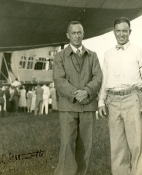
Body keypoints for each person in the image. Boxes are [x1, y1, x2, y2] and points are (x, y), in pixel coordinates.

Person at [98, 17, 142, 175]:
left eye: (125, 31)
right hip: (113, 101)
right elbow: (105, 79)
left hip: (132, 98)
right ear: (114, 32)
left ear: (130, 32)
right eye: (118, 31)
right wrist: (101, 102)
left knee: (137, 144)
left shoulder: (138, 51)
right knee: (117, 145)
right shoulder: (108, 54)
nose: (121, 34)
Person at [53, 21, 102, 175]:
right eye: (73, 33)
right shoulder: (59, 56)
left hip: (88, 106)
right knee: (67, 143)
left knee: (86, 146)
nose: (76, 36)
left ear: (83, 34)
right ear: (68, 35)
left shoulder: (92, 55)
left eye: (79, 32)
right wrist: (77, 93)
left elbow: (98, 77)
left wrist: (87, 91)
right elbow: (59, 80)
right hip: (68, 106)